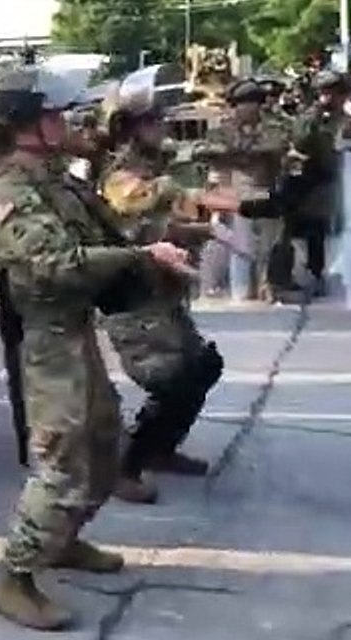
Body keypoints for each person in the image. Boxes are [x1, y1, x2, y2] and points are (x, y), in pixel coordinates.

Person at [0, 65, 195, 630]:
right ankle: (15, 578)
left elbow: (107, 238)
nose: (65, 121)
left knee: (103, 444)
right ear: (30, 122)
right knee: (63, 460)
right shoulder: (12, 190)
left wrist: (159, 246)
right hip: (47, 339)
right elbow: (54, 266)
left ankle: (64, 541)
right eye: (54, 114)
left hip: (75, 331)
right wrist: (140, 259)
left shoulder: (57, 179)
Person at [99, 95, 238, 503]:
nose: (162, 126)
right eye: (152, 120)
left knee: (203, 366)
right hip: (133, 292)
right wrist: (193, 195)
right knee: (172, 380)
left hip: (163, 290)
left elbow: (159, 226)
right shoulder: (119, 174)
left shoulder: (150, 170)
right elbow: (135, 202)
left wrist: (203, 231)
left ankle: (161, 449)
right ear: (130, 127)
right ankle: (126, 467)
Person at [193, 79, 293, 301]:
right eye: (241, 103)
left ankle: (265, 289)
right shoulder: (222, 129)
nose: (246, 108)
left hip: (265, 193)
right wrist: (237, 154)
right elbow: (202, 150)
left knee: (267, 248)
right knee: (238, 249)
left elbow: (276, 147)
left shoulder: (274, 127)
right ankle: (238, 293)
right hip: (233, 196)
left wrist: (236, 154)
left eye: (252, 102)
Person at [287, 71, 349, 295]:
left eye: (334, 92)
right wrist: (315, 117)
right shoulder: (309, 118)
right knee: (314, 229)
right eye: (325, 92)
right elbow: (300, 142)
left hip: (344, 178)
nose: (329, 97)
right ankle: (315, 273)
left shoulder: (347, 118)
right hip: (316, 180)